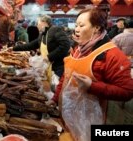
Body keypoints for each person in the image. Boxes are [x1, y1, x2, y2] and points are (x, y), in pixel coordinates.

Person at [48, 8, 133, 141]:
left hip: (89, 124)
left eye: (81, 25)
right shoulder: (77, 50)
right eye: (76, 25)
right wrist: (55, 99)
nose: (76, 29)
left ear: (96, 28)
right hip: (67, 116)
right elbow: (66, 76)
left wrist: (92, 86)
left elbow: (127, 91)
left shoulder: (112, 55)